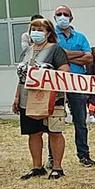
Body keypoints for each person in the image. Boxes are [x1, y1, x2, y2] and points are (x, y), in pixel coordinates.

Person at [12, 17, 70, 180]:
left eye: (40, 30)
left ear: (48, 33)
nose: (36, 33)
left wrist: (45, 75)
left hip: (51, 98)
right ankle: (37, 167)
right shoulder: (27, 51)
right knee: (33, 132)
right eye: (33, 30)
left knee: (54, 132)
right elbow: (22, 77)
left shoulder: (55, 49)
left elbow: (64, 71)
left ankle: (57, 167)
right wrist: (17, 97)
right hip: (27, 98)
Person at [54, 5, 95, 167]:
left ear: (71, 18)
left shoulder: (80, 37)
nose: (62, 16)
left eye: (66, 14)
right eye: (59, 14)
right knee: (55, 122)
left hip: (78, 83)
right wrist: (78, 54)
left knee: (80, 121)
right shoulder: (51, 37)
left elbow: (89, 58)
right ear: (55, 17)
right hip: (57, 83)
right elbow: (53, 55)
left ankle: (83, 155)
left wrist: (63, 56)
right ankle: (54, 158)